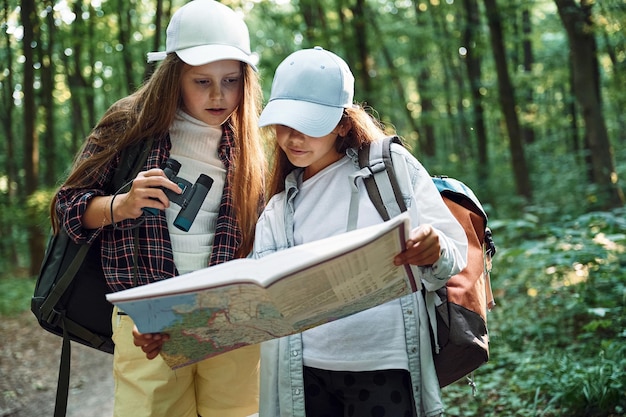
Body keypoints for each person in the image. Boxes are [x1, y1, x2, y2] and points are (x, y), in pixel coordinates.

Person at [51, 1, 265, 416]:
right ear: (173, 77)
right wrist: (121, 204)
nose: (219, 95)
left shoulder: (248, 142)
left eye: (231, 80)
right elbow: (65, 208)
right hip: (149, 320)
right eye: (201, 81)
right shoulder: (130, 123)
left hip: (229, 318)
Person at [253, 47, 468, 417]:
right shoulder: (277, 207)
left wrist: (433, 249)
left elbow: (452, 254)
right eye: (284, 124)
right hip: (307, 374)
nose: (292, 138)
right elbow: (259, 297)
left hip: (384, 365)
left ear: (342, 124)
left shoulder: (390, 170)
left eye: (309, 124)